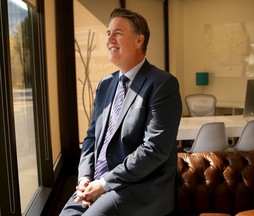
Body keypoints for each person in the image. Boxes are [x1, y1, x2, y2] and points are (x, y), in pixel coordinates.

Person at [60, 8, 182, 216]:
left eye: (117, 33)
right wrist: (84, 179)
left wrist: (104, 183)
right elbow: (91, 138)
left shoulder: (162, 84)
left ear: (139, 41)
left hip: (138, 187)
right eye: (108, 33)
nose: (109, 40)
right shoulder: (105, 85)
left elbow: (154, 150)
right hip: (96, 183)